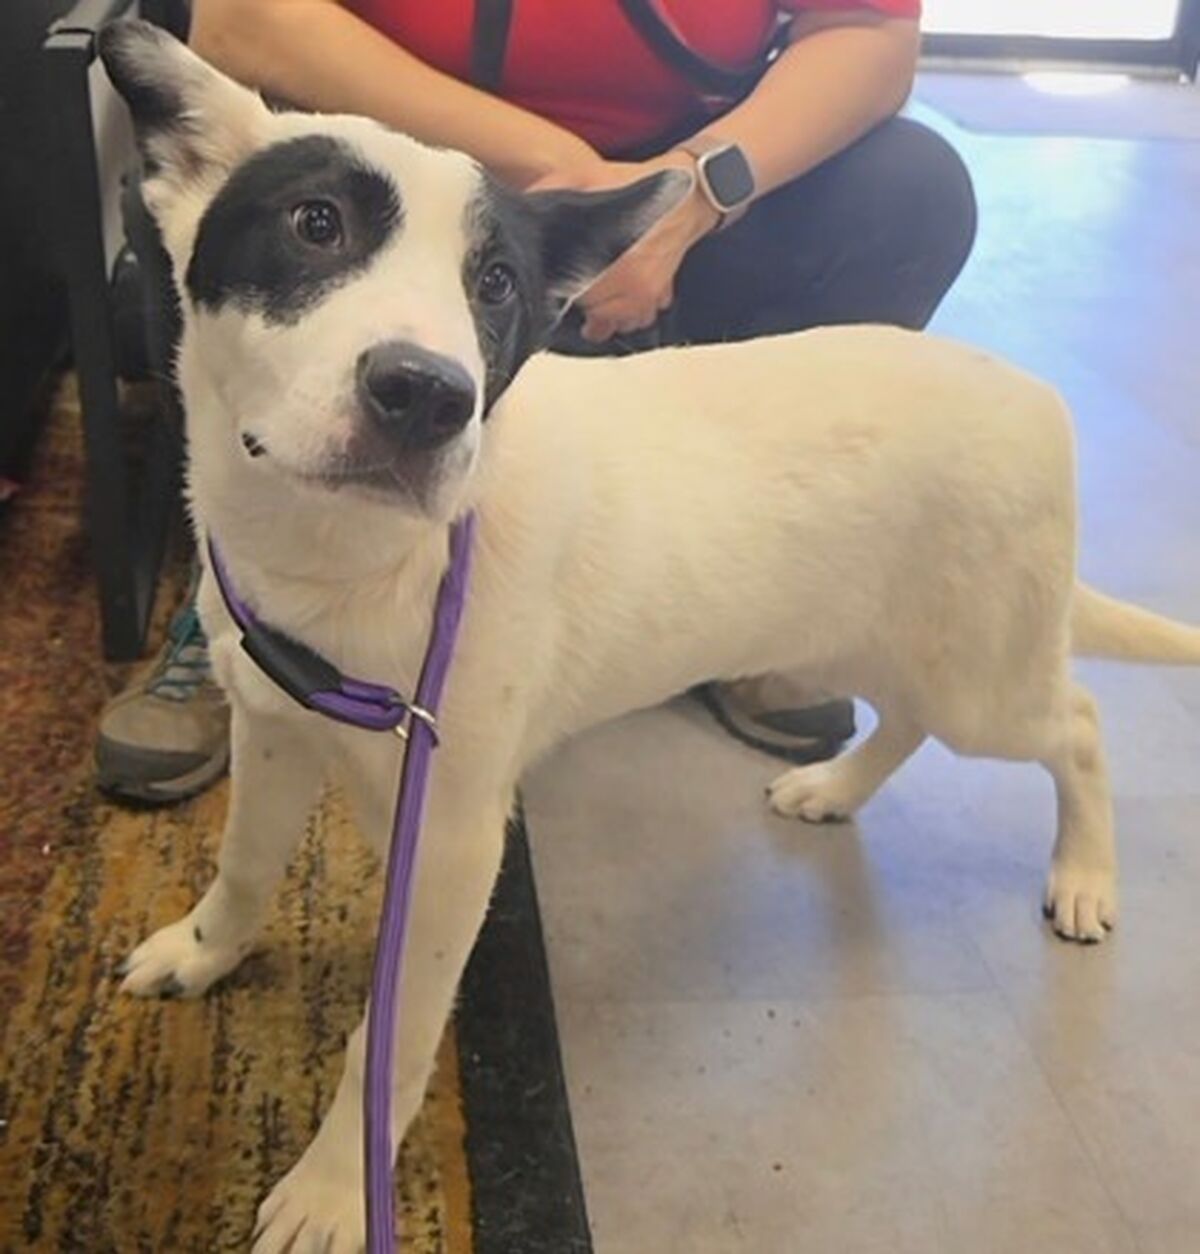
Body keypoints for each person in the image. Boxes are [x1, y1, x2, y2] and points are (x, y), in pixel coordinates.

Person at [95, 0, 977, 803]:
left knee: (913, 189)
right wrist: (549, 170)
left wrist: (696, 189)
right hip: (396, 171)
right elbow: (244, 20)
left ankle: (761, 612)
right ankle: (247, 600)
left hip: (675, 195)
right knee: (222, 221)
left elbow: (871, 37)